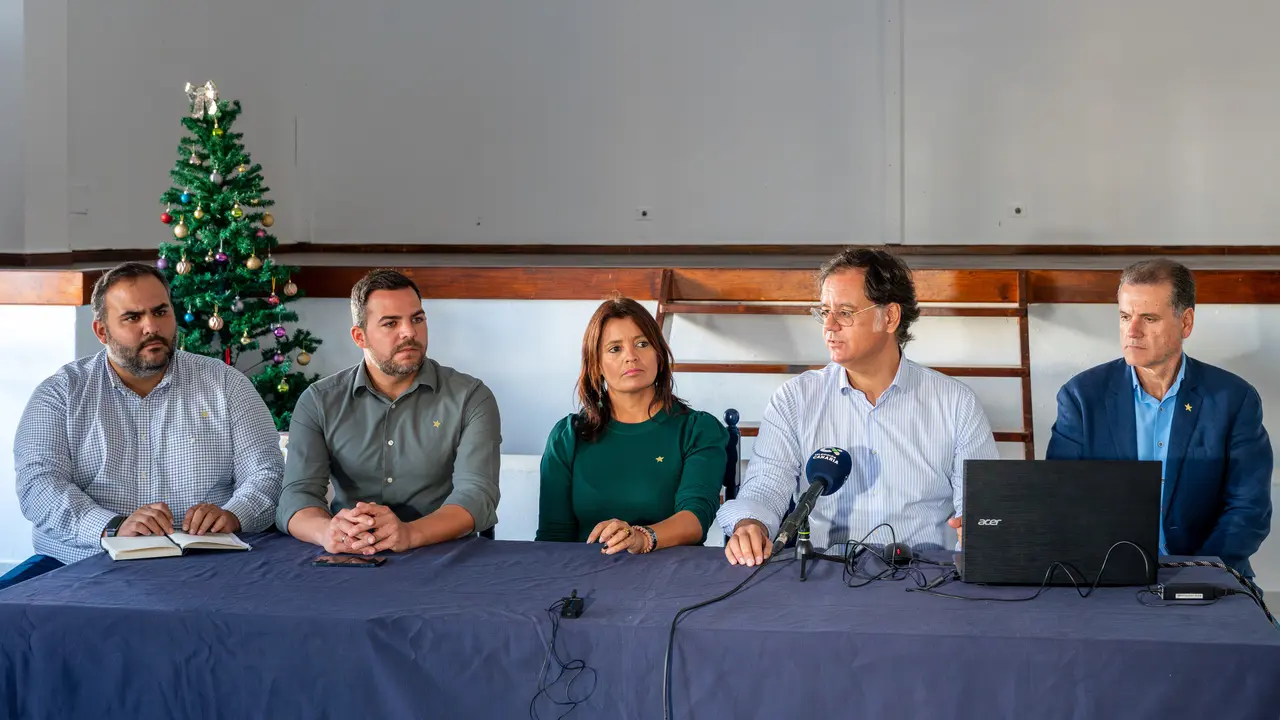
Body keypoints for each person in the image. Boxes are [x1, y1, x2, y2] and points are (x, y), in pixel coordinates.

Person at [5, 262, 282, 589]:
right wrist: (111, 527)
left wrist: (235, 514)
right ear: (102, 332)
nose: (152, 327)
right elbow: (39, 486)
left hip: (207, 565)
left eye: (160, 312)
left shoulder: (226, 385)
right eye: (132, 317)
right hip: (80, 565)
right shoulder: (60, 394)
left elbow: (266, 472)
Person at [716, 247, 1000, 566]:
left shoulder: (956, 402)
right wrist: (750, 524)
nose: (829, 326)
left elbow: (983, 509)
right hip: (826, 574)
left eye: (845, 312)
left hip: (925, 576)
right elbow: (765, 488)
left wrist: (980, 529)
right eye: (825, 311)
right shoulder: (794, 399)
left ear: (889, 317)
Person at [1047, 258, 1272, 577]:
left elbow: (1249, 509)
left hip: (1211, 571)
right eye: (1125, 317)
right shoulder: (1082, 397)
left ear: (1186, 322)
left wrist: (1197, 573)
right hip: (1106, 574)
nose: (1132, 332)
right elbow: (1062, 499)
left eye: (1149, 318)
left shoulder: (1233, 399)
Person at [278, 269, 501, 555]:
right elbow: (296, 496)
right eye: (390, 323)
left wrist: (409, 533)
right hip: (352, 554)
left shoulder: (470, 397)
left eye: (417, 319)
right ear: (360, 337)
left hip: (445, 554)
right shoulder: (319, 401)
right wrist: (327, 532)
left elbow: (477, 496)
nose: (409, 332)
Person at [536, 296, 728, 555]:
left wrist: (641, 537)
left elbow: (695, 519)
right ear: (596, 364)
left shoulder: (698, 429)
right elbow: (552, 537)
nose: (631, 356)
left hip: (674, 573)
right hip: (583, 572)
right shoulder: (567, 436)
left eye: (642, 344)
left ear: (658, 354)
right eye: (615, 349)